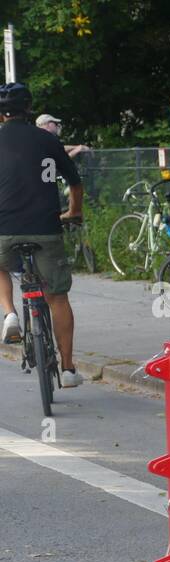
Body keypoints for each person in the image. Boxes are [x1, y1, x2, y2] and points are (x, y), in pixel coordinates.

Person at [0, 83, 84, 386]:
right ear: (29, 109)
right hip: (47, 227)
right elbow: (74, 183)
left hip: (4, 230)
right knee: (57, 298)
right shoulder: (46, 139)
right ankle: (69, 369)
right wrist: (74, 213)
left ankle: (9, 313)